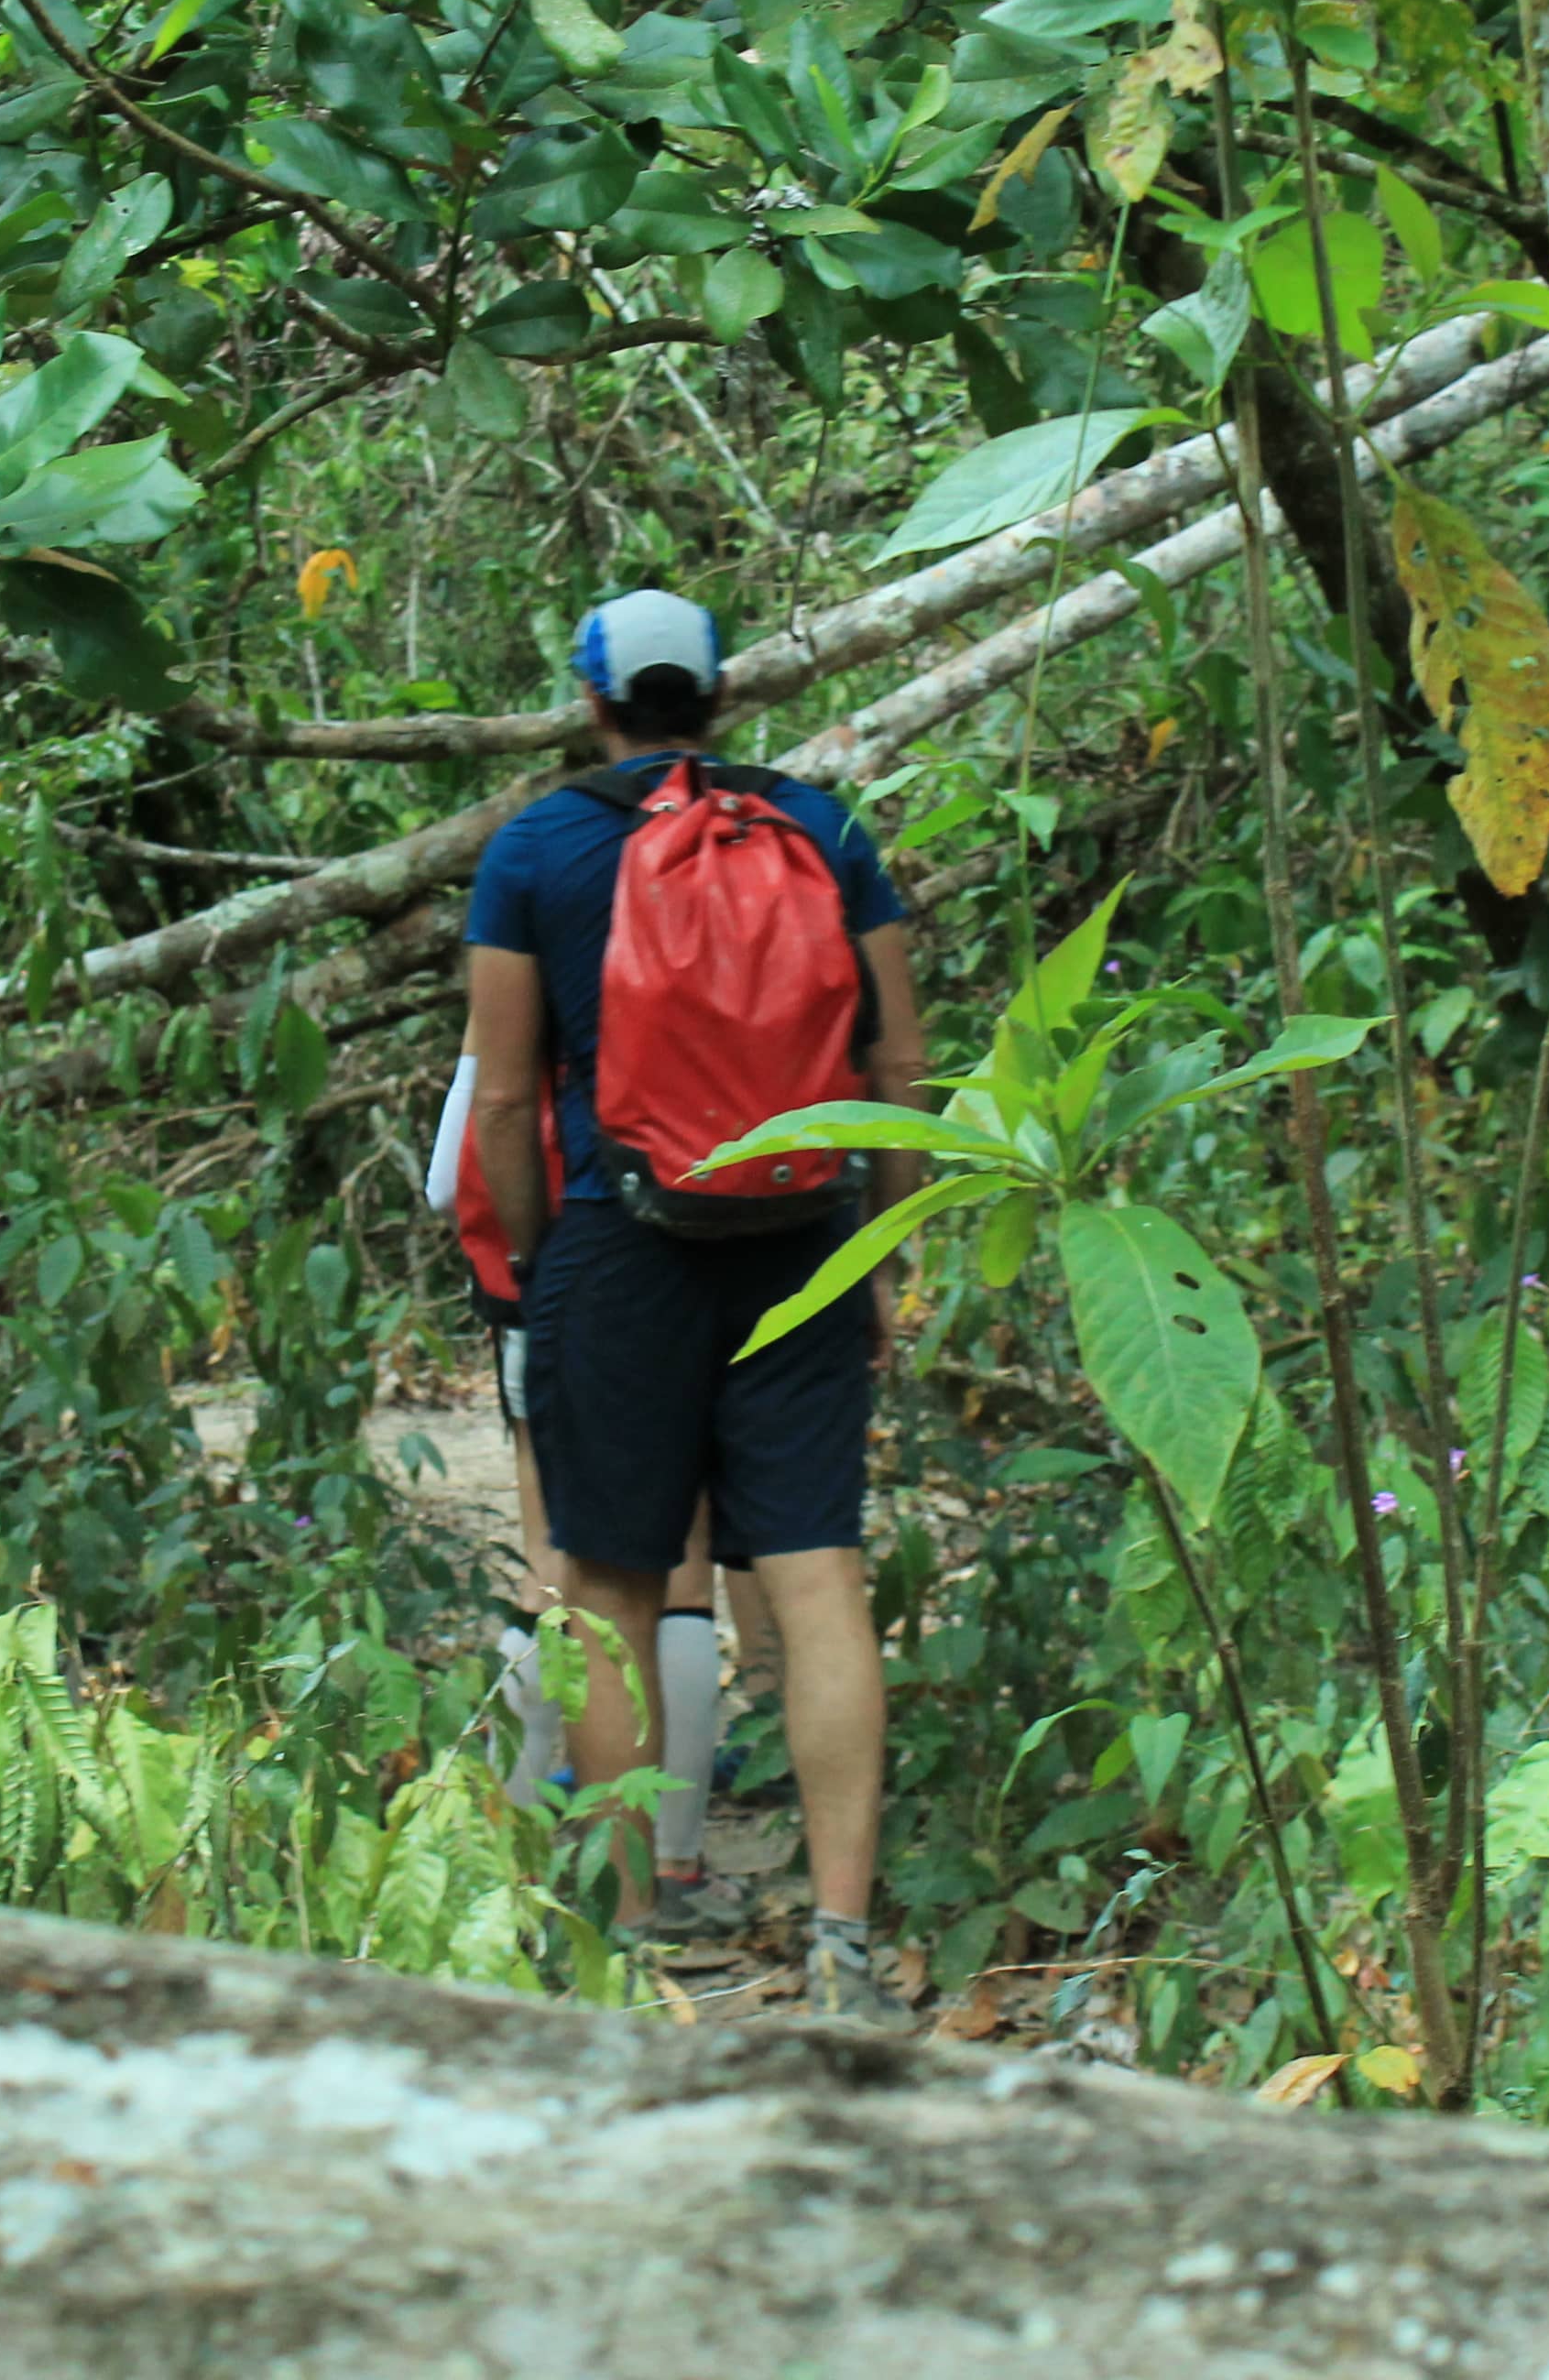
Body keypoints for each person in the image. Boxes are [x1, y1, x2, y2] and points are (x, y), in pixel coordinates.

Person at [459, 587, 930, 2026]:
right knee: (815, 1574)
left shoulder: (537, 846)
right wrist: (887, 1245)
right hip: (803, 1238)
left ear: (591, 699)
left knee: (603, 1584)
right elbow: (897, 1058)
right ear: (719, 693)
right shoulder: (827, 830)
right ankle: (843, 1939)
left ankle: (631, 1932)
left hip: (620, 1238)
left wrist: (545, 1269)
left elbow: (503, 1096)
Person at [424, 1065, 770, 1938]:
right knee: (683, 1576)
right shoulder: (733, 923)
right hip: (718, 1256)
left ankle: (502, 1864)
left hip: (566, 1276)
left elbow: (450, 1171)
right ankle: (676, 1865)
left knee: (557, 1568)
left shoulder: (538, 948)